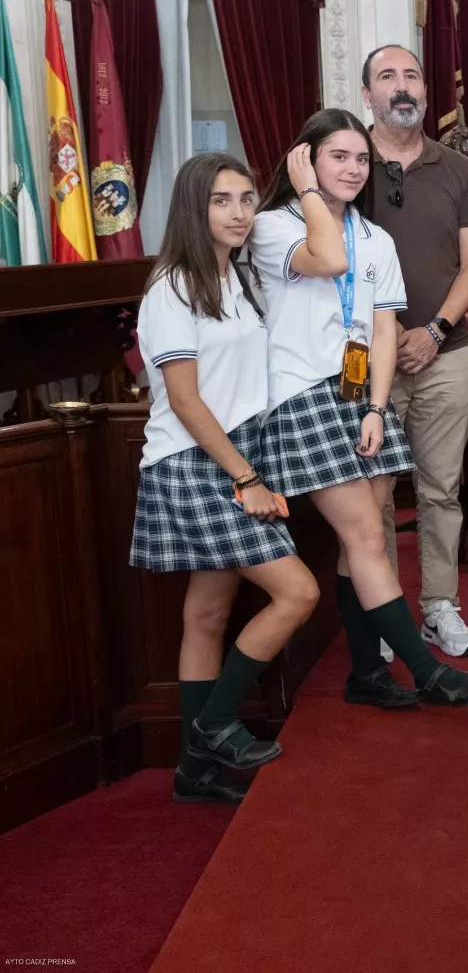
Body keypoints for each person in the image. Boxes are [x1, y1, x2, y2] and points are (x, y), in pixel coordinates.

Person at [252, 108, 468, 709]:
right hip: (301, 392)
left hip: (358, 394)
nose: (355, 169)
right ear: (305, 159)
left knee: (363, 532)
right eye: (339, 156)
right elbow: (328, 260)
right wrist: (306, 189)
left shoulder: (374, 237)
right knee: (365, 532)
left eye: (362, 158)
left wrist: (376, 408)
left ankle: (366, 671)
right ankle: (425, 671)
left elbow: (382, 331)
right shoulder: (273, 227)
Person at [130, 152, 319, 805]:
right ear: (193, 208)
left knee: (207, 615)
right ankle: (214, 726)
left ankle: (194, 772)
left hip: (235, 456)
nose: (240, 212)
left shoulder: (233, 278)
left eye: (246, 199)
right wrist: (246, 478)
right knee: (296, 593)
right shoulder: (172, 288)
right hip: (194, 463)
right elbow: (184, 400)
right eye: (222, 201)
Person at [363, 43, 468, 659]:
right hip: (366, 359)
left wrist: (435, 329)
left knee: (441, 488)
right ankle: (387, 616)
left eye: (411, 74)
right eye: (387, 77)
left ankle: (441, 606)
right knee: (376, 492)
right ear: (368, 96)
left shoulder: (457, 170)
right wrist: (389, 337)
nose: (402, 86)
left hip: (447, 351)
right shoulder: (346, 162)